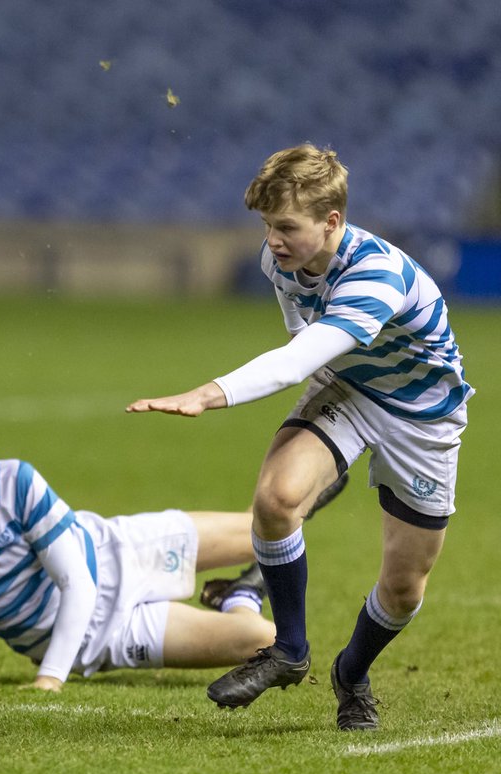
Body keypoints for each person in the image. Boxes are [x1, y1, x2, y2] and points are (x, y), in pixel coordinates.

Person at [127, 144, 472, 731]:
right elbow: (308, 349)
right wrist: (315, 462)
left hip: (422, 418)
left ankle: (352, 673)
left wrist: (206, 394)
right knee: (277, 498)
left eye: (286, 226)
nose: (273, 240)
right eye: (267, 226)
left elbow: (294, 360)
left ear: (332, 221)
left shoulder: (377, 275)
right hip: (350, 391)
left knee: (405, 586)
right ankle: (288, 650)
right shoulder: (278, 263)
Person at [0, 427, 345, 690]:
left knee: (258, 529)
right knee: (265, 639)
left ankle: (332, 458)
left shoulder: (11, 482)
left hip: (121, 550)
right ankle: (241, 595)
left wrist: (50, 679)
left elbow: (77, 581)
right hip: (103, 637)